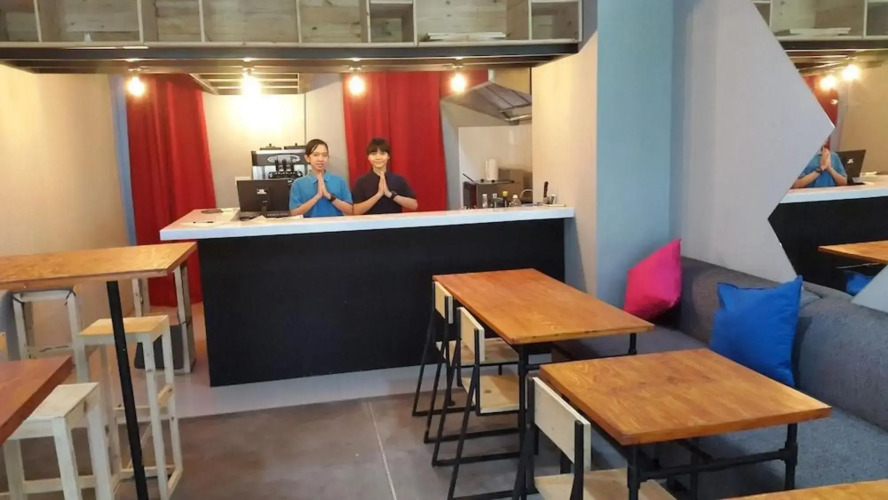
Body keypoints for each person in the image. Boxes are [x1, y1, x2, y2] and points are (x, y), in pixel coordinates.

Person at [352, 138, 419, 215]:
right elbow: (356, 211)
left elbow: (414, 205)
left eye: (382, 153)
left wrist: (390, 194)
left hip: (394, 221)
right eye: (374, 154)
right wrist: (378, 194)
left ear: (388, 156)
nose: (378, 157)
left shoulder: (398, 179)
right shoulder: (361, 182)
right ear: (368, 157)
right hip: (370, 222)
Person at [289, 139, 353, 217]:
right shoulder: (298, 184)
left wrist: (329, 196)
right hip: (310, 225)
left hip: (335, 225)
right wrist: (317, 197)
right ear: (307, 158)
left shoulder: (339, 181)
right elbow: (294, 213)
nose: (321, 159)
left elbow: (350, 210)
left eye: (324, 155)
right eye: (316, 155)